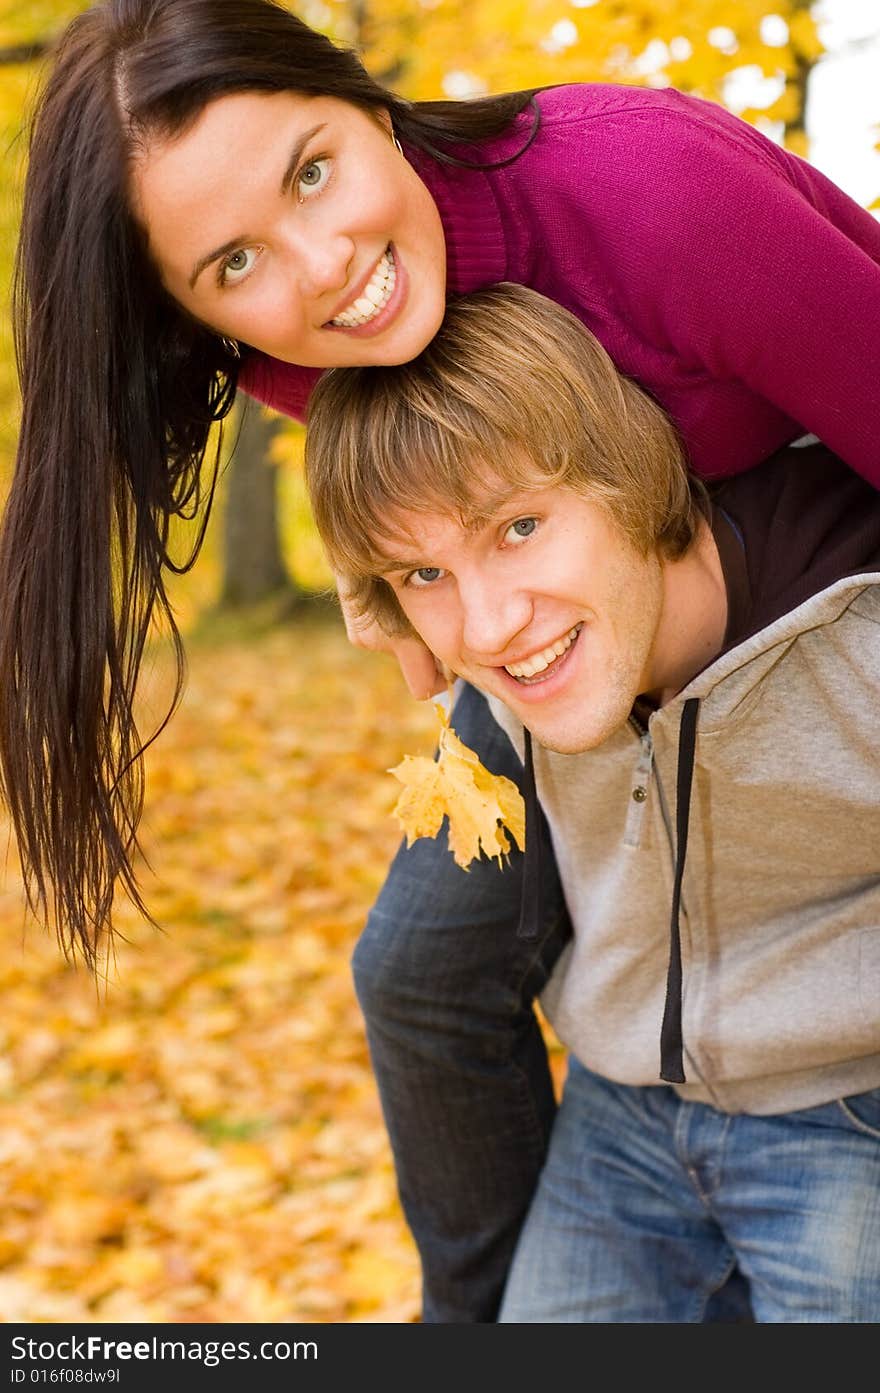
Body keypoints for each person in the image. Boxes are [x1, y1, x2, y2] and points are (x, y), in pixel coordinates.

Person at [3, 0, 880, 1322]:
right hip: (558, 626)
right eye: (234, 264)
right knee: (419, 965)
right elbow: (401, 469)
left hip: (792, 593)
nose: (326, 269)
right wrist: (391, 582)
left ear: (365, 98)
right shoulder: (290, 349)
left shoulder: (659, 202)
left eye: (313, 170)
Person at [303, 282, 880, 1322]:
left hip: (842, 1128)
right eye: (425, 572)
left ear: (628, 476)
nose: (485, 625)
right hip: (615, 1125)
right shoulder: (513, 673)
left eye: (520, 527)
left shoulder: (854, 633)